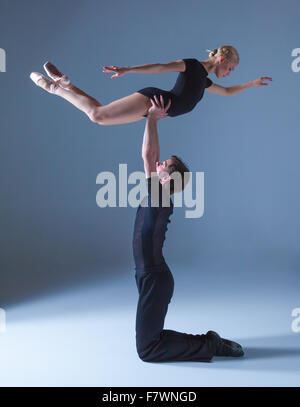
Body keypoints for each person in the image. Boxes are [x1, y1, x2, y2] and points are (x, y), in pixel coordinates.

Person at [132, 94, 244, 362]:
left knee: (147, 350)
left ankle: (209, 345)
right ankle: (207, 342)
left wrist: (152, 118)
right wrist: (151, 119)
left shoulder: (160, 198)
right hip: (147, 276)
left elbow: (149, 157)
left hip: (155, 279)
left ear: (169, 177)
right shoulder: (155, 191)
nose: (159, 164)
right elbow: (149, 157)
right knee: (150, 340)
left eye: (165, 165)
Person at [29, 45, 272, 126]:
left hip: (152, 110)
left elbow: (227, 92)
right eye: (230, 68)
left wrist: (252, 83)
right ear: (221, 59)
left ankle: (65, 85)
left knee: (99, 115)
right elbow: (160, 66)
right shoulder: (192, 66)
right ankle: (54, 87)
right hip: (153, 100)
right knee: (97, 116)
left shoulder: (205, 81)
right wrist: (128, 69)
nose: (229, 74)